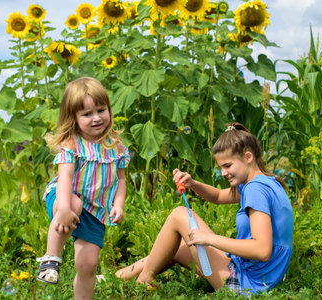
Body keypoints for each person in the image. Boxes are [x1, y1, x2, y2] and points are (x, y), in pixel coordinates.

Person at [115, 122, 293, 296]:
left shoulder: (256, 190)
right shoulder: (264, 183)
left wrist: (210, 239)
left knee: (179, 214)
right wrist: (192, 183)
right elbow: (217, 196)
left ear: (248, 157)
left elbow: (262, 250)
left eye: (227, 165)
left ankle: (145, 280)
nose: (223, 173)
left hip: (247, 286)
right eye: (221, 167)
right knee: (174, 247)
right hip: (256, 277)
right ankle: (114, 278)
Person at [36, 77, 130, 299]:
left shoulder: (115, 145)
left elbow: (121, 179)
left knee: (88, 265)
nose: (96, 118)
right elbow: (65, 178)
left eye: (101, 110)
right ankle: (51, 258)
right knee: (73, 203)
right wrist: (65, 209)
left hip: (96, 210)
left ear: (108, 109)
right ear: (74, 118)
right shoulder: (72, 144)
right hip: (63, 197)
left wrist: (118, 205)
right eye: (87, 114)